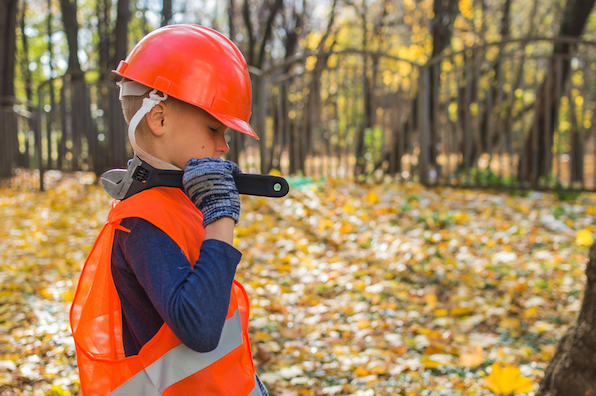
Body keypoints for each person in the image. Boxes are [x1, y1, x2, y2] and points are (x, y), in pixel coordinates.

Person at [70, 24, 267, 396]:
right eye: (214, 128)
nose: (224, 146)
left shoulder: (176, 202)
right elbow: (200, 328)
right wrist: (221, 215)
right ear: (158, 118)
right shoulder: (141, 222)